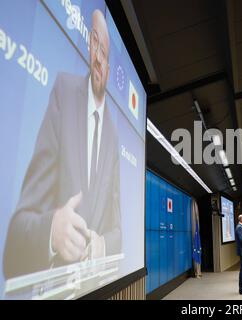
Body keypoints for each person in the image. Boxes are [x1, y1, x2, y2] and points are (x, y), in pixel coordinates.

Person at [3, 10, 121, 279]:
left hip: (97, 282)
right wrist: (51, 232)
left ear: (111, 68)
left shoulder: (113, 134)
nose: (99, 58)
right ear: (89, 47)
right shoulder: (65, 92)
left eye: (105, 51)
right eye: (95, 45)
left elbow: (118, 232)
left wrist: (103, 245)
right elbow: (15, 243)